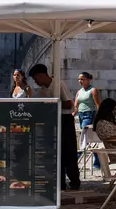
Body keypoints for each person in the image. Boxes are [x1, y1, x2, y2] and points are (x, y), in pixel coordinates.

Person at [29, 63, 81, 191]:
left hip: (65, 120)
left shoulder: (58, 84)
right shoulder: (41, 91)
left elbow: (69, 104)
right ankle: (60, 182)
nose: (35, 82)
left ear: (41, 75)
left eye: (36, 78)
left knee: (68, 152)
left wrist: (51, 105)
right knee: (55, 153)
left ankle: (74, 181)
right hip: (51, 122)